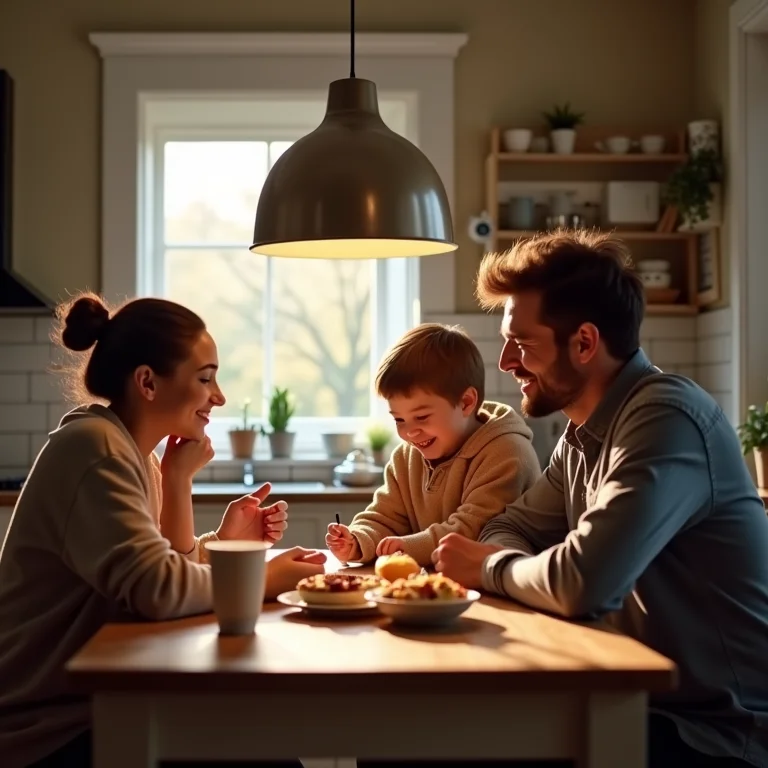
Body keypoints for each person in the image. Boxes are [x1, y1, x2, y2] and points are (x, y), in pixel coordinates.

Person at [433, 230, 768, 768]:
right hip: (629, 701)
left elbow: (582, 583)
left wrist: (489, 568)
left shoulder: (665, 418)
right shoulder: (584, 434)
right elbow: (512, 525)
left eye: (521, 343)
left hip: (711, 735)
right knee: (428, 739)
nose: (504, 362)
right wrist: (503, 557)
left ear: (584, 343)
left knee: (438, 747)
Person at [0, 293, 326, 768]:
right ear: (148, 382)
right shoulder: (96, 450)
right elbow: (158, 591)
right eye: (205, 379)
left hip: (96, 702)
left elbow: (162, 573)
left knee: (262, 739)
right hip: (48, 731)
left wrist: (216, 531)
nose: (219, 397)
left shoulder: (133, 454)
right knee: (265, 748)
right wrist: (268, 579)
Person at [326, 323, 540, 567]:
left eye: (422, 417)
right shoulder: (405, 458)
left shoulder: (506, 453)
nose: (408, 431)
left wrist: (408, 547)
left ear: (466, 402)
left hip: (502, 590)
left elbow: (474, 529)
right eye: (398, 419)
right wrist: (357, 540)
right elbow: (385, 517)